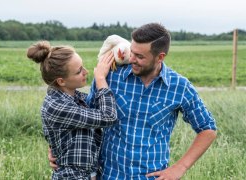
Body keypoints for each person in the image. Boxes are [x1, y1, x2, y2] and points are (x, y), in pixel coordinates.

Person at [49, 22, 217, 179]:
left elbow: (207, 128)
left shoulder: (179, 87)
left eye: (139, 56)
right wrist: (58, 149)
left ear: (160, 57)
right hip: (109, 174)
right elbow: (85, 118)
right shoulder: (111, 76)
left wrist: (180, 167)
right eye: (132, 51)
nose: (131, 59)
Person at [27, 41, 117, 180]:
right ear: (61, 81)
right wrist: (100, 79)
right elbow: (108, 116)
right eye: (79, 71)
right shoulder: (56, 106)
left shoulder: (76, 97)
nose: (86, 72)